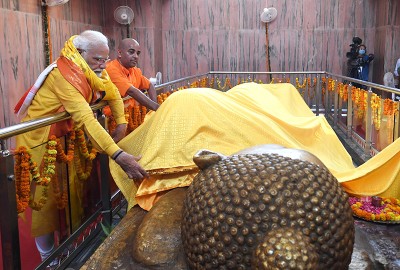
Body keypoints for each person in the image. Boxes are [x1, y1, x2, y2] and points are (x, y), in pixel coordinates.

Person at [14, 30, 149, 265]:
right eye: (98, 59)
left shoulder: (92, 69)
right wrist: (118, 155)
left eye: (105, 59)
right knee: (45, 204)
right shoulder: (63, 75)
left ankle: (70, 246)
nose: (103, 64)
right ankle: (49, 259)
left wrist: (121, 124)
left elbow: (114, 95)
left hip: (68, 139)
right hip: (40, 142)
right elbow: (86, 118)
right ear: (79, 53)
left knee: (70, 194)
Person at [106, 38, 159, 111]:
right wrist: (157, 108)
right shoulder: (111, 69)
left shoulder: (134, 71)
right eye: (131, 52)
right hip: (111, 119)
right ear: (119, 53)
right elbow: (132, 91)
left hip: (132, 116)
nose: (136, 56)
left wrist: (154, 110)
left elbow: (150, 85)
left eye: (138, 53)